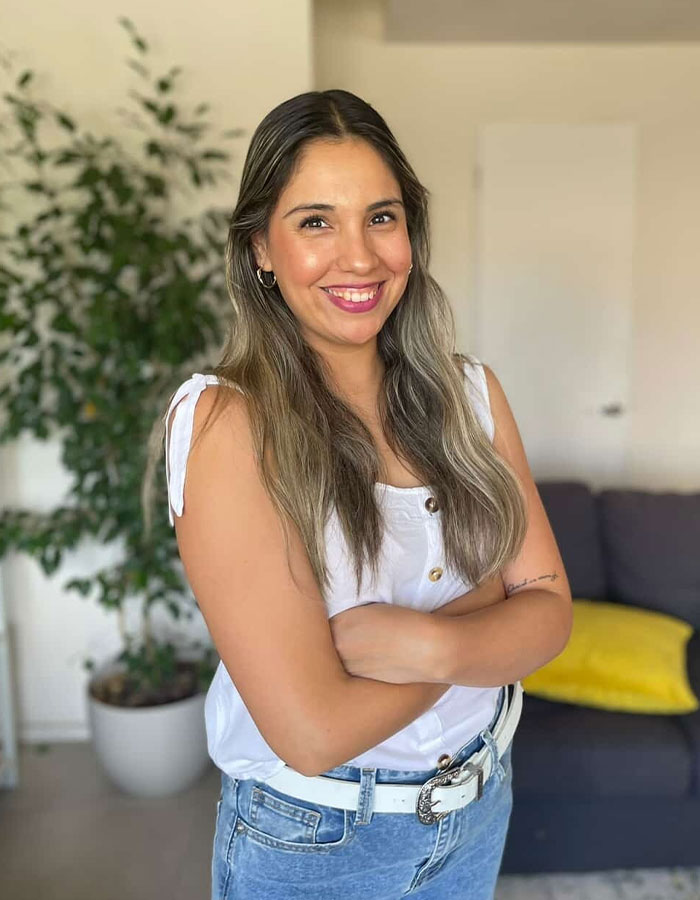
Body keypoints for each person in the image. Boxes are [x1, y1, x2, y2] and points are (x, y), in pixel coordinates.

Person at [158, 89, 572, 900]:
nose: (360, 256)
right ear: (260, 251)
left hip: (480, 800)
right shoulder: (226, 422)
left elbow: (553, 613)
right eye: (316, 221)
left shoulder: (470, 394)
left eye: (381, 217)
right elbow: (312, 733)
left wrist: (432, 645)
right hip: (316, 840)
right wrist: (492, 609)